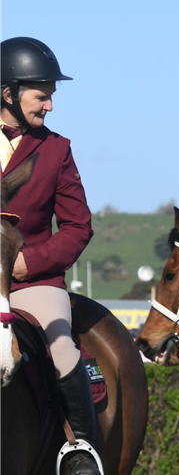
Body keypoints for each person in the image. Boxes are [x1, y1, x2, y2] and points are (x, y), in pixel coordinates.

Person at [0, 37, 100, 475]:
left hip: (30, 282)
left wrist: (29, 262)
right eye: (42, 96)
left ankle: (82, 452)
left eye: (51, 98)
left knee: (61, 349)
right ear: (8, 93)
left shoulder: (56, 149)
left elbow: (79, 226)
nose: (50, 107)